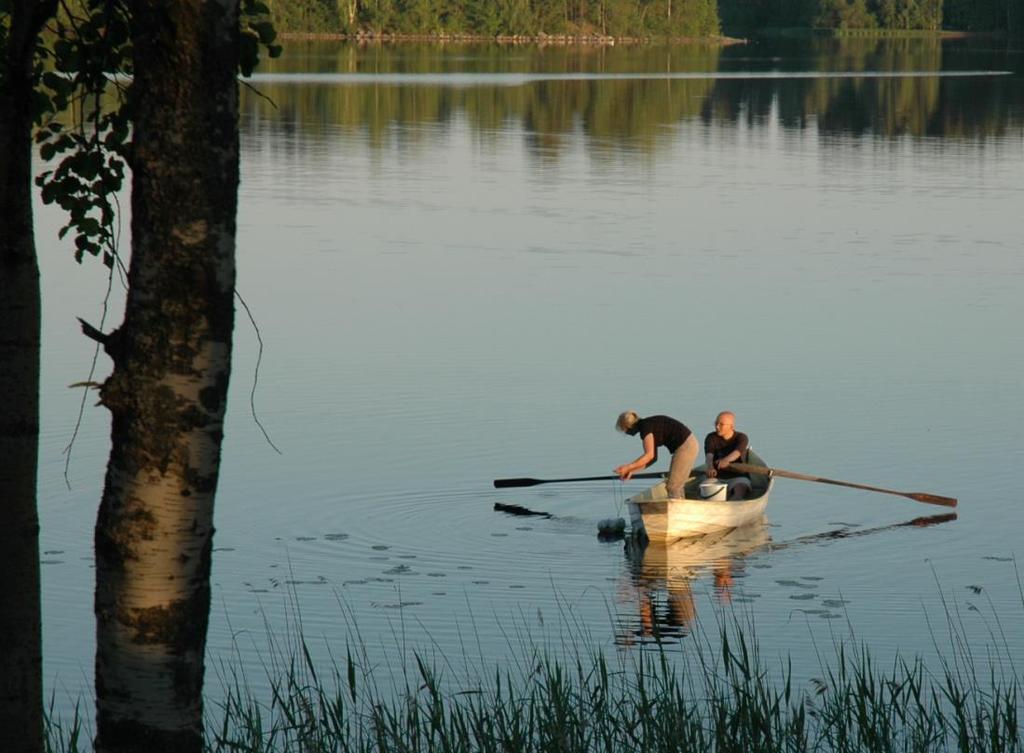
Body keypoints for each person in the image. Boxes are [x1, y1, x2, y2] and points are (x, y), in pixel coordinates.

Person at [614, 411, 699, 499]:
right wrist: (631, 471)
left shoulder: (646, 428)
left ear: (628, 427)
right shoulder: (647, 425)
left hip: (686, 446)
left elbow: (649, 455)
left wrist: (628, 467)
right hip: (689, 444)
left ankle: (678, 510)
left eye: (624, 430)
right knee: (676, 485)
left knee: (672, 486)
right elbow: (653, 458)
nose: (626, 433)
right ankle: (681, 505)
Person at [704, 410, 752, 500]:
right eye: (716, 423)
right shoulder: (711, 437)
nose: (717, 427)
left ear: (731, 427)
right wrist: (710, 467)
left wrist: (726, 460)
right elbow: (709, 455)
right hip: (717, 476)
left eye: (721, 424)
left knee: (739, 491)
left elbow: (737, 453)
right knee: (706, 492)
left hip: (738, 476)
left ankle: (734, 501)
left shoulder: (742, 437)